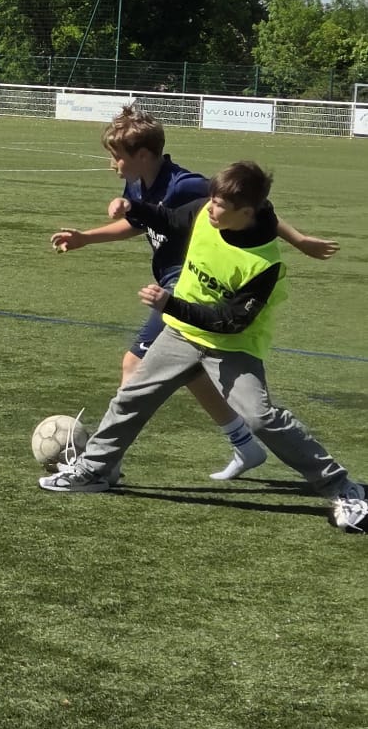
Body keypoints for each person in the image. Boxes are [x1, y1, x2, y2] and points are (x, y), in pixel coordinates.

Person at [40, 159, 364, 518]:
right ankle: (93, 470)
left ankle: (342, 488)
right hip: (181, 334)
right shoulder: (206, 211)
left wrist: (170, 304)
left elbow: (230, 322)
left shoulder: (264, 263)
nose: (211, 208)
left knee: (261, 418)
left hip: (232, 347)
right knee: (132, 397)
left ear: (246, 212)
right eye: (211, 200)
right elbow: (171, 219)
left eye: (221, 206)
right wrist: (134, 207)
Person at [51, 106, 338, 479]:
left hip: (188, 285)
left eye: (115, 156)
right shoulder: (138, 182)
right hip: (177, 281)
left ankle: (105, 466)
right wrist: (86, 238)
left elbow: (249, 208)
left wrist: (299, 241)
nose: (111, 164)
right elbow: (140, 223)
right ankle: (243, 443)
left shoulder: (185, 184)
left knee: (133, 365)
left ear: (141, 155)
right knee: (188, 369)